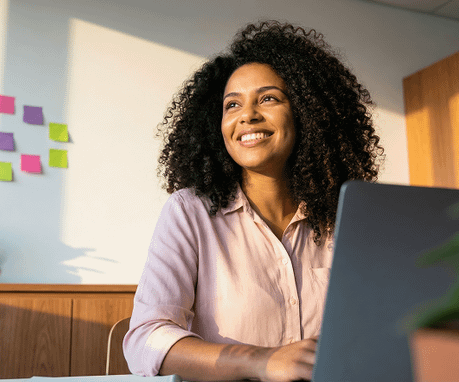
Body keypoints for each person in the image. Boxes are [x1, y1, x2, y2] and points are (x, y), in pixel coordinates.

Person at [123, 20, 383, 382]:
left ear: (307, 112)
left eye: (268, 98)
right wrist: (259, 361)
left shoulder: (348, 219)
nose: (248, 115)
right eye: (232, 105)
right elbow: (147, 339)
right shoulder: (190, 211)